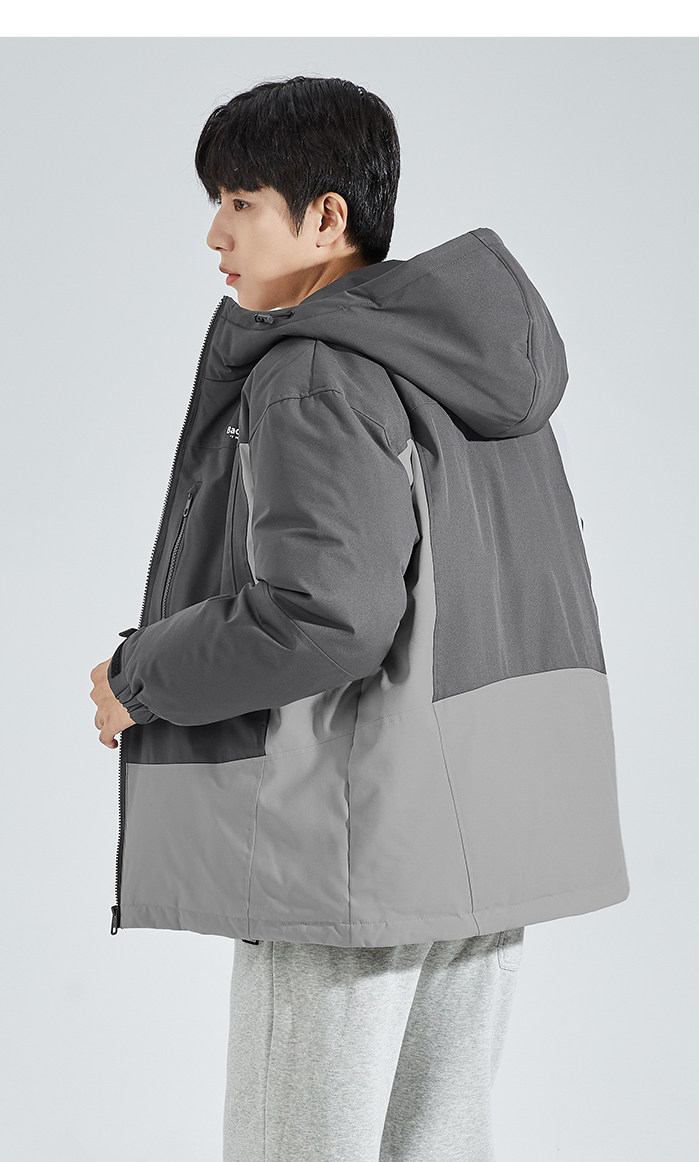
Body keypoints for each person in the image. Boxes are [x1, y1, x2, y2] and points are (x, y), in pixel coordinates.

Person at [89, 75, 630, 1162]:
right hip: (482, 832)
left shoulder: (315, 372)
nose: (214, 234)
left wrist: (136, 680)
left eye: (240, 201)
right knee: (440, 1141)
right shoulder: (470, 371)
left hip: (353, 842)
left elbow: (323, 615)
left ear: (326, 214)